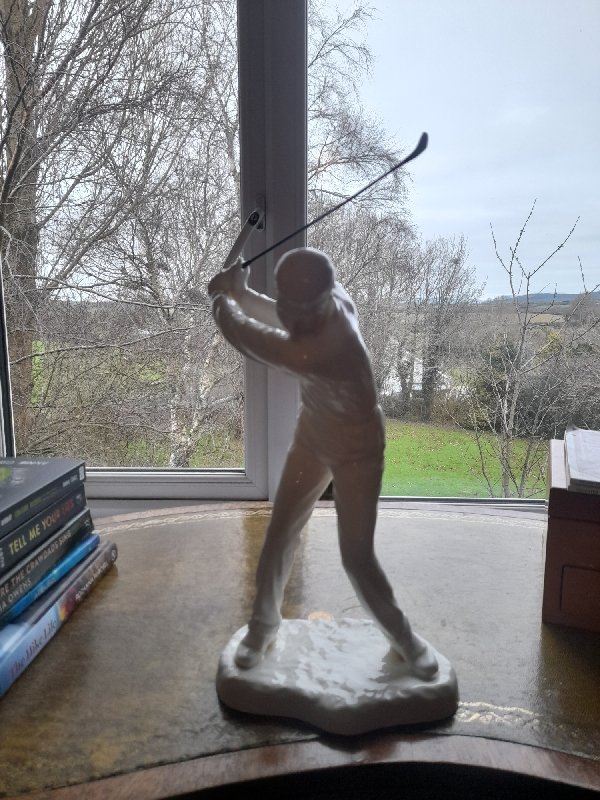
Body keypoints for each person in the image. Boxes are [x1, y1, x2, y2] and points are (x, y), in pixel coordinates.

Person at [208, 247, 438, 680]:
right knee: (280, 533)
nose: (291, 315)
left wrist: (222, 299)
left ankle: (406, 640)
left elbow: (249, 338)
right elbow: (284, 317)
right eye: (288, 306)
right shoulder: (329, 302)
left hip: (357, 452)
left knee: (356, 557)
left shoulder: (318, 349)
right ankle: (263, 626)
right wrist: (242, 292)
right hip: (314, 435)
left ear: (319, 304)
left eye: (298, 309)